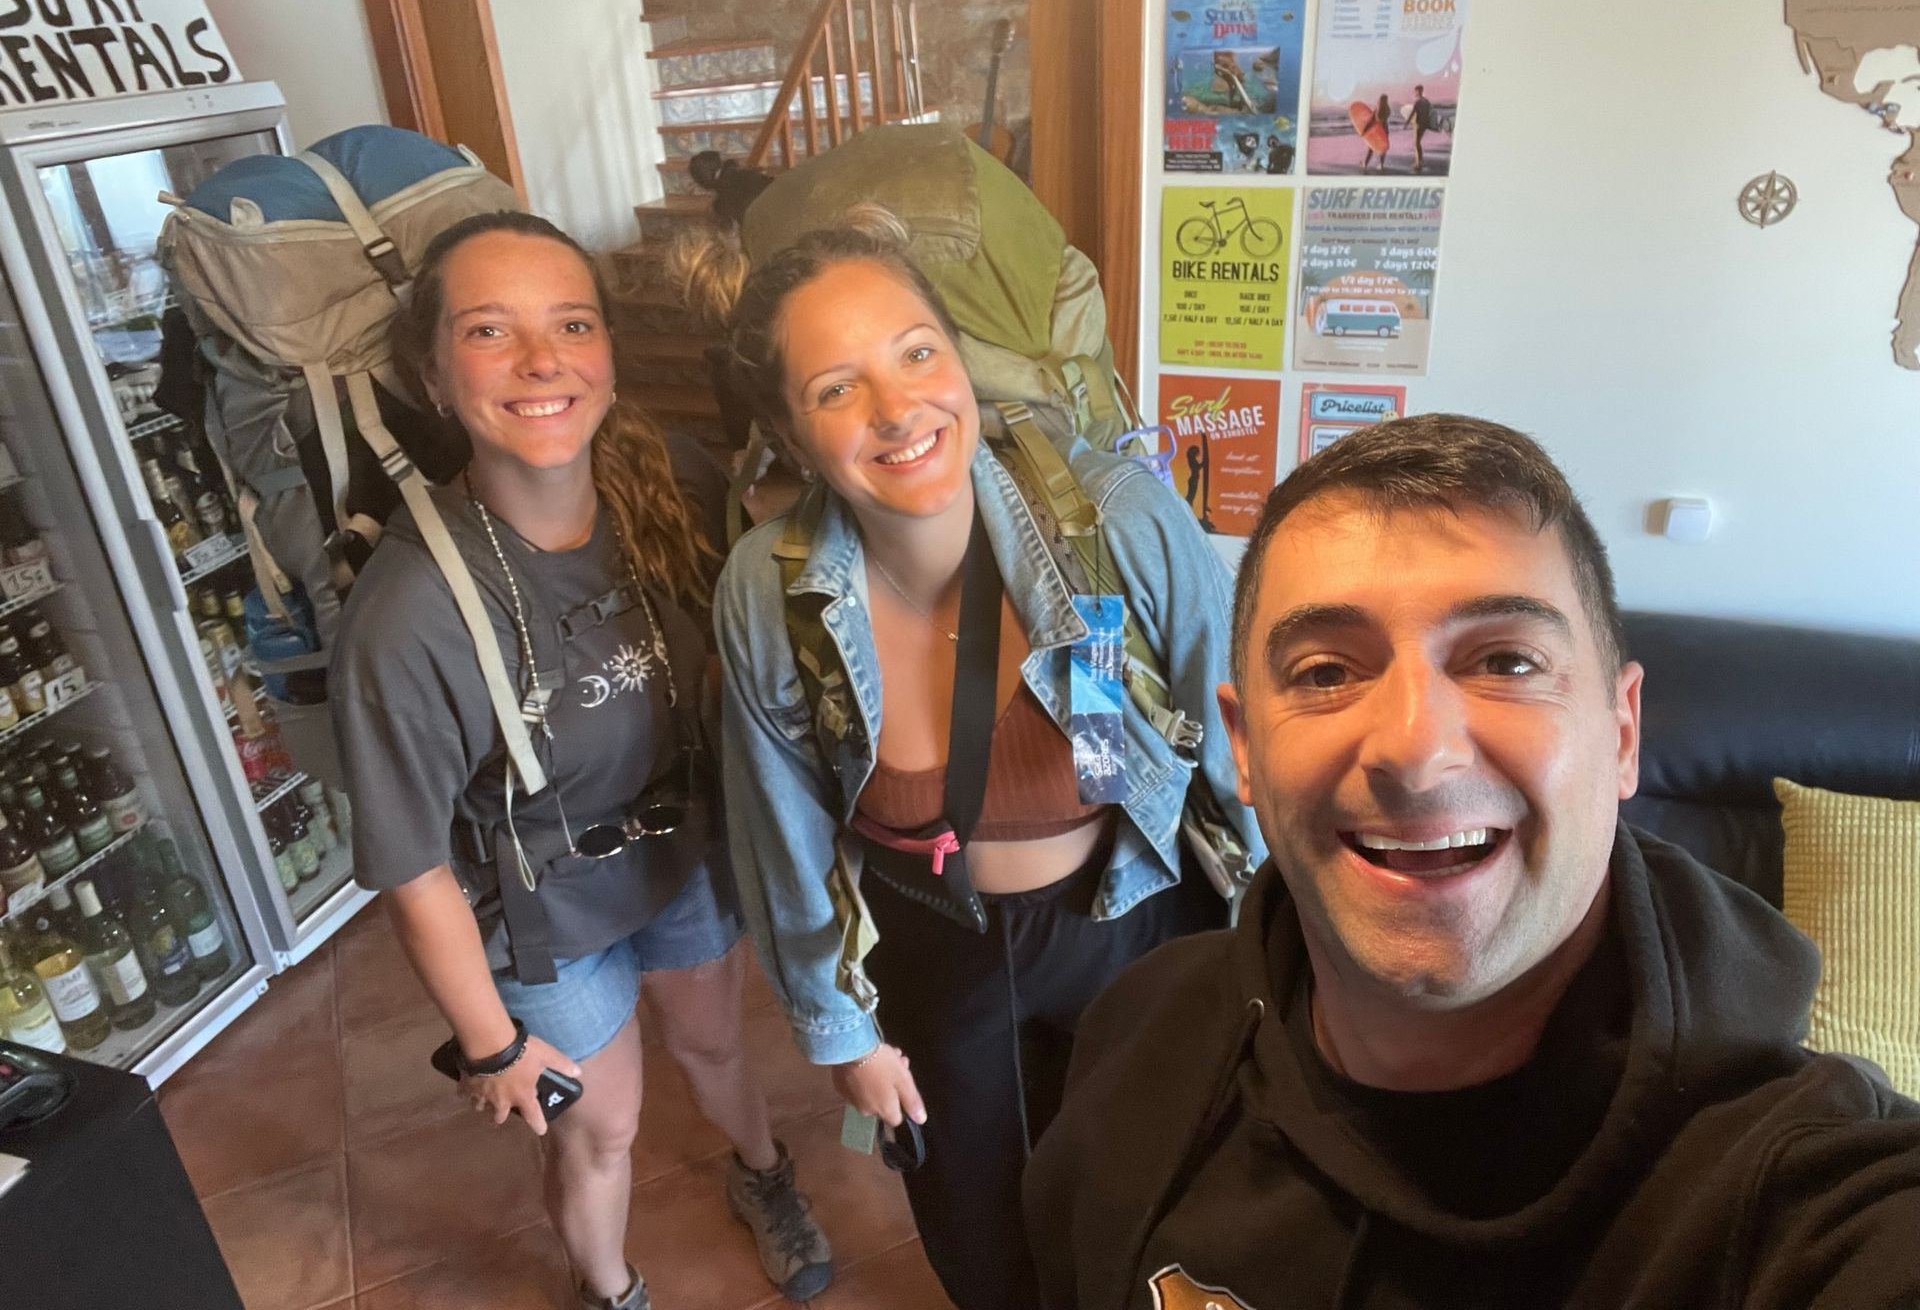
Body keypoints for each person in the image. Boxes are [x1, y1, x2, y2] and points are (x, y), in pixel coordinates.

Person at [1025, 414, 1920, 1310]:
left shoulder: (1811, 1193)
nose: (1415, 751)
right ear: (1246, 745)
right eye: (1327, 672)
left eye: (1506, 661)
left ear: (1621, 732)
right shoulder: (1143, 1031)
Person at [707, 211, 1261, 1310]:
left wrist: (1280, 958)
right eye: (837, 387)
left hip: (1132, 917)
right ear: (788, 430)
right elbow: (779, 827)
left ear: (961, 361)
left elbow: (1247, 760)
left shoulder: (1113, 524)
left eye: (917, 352)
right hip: (935, 949)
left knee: (1155, 1210)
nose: (897, 407)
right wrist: (841, 1029)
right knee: (980, 1235)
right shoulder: (771, 592)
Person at [330, 210, 833, 1310]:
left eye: (571, 324)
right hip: (542, 906)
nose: (542, 360)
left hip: (680, 852)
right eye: (489, 331)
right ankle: (609, 1291)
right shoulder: (408, 615)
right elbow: (413, 868)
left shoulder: (671, 479)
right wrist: (490, 1045)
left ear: (607, 351)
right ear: (431, 374)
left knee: (716, 1050)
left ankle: (763, 1171)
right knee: (601, 1128)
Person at [1361, 92, 1391, 172]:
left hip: (1376, 132)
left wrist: (1364, 131)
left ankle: (1365, 164)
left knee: (1370, 148)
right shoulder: (1388, 110)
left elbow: (1370, 122)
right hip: (1385, 131)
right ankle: (1381, 164)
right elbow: (1386, 118)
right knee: (1382, 149)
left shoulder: (1377, 110)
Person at [1407, 82, 1433, 172]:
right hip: (1424, 125)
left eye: (1415, 91)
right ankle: (1419, 161)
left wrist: (1406, 123)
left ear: (1418, 91)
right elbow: (1429, 114)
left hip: (1418, 124)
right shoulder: (1427, 102)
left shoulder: (1417, 102)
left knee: (1416, 143)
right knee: (1418, 143)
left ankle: (1418, 163)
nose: (1414, 93)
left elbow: (1412, 113)